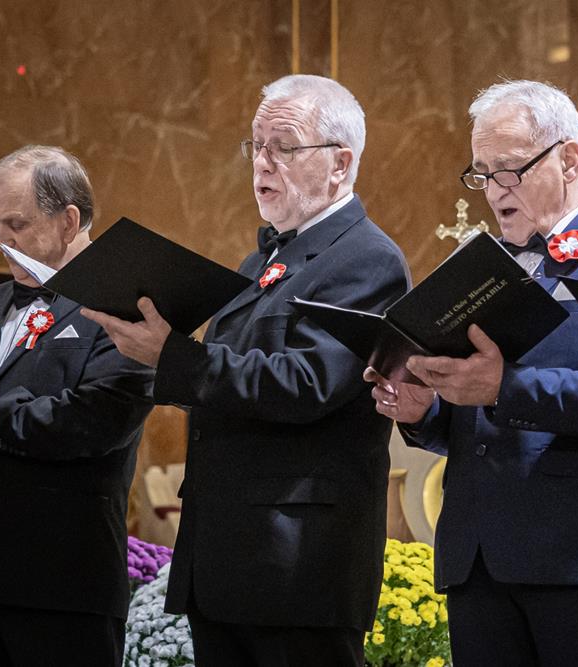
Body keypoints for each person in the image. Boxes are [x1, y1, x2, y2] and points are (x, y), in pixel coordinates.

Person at [84, 75, 410, 666]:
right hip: (228, 558)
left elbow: (310, 384)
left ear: (340, 164)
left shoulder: (368, 259)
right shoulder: (261, 259)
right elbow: (230, 386)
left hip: (296, 564)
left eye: (282, 147)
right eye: (255, 146)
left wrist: (175, 357)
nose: (261, 162)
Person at [365, 80, 578, 666]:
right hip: (480, 558)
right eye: (482, 173)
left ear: (569, 159)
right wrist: (425, 411)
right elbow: (475, 419)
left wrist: (503, 387)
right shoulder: (483, 266)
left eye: (509, 170)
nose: (493, 191)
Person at [0, 145, 154, 666]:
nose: (2, 242)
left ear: (69, 220)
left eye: (17, 224)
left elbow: (94, 420)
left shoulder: (131, 313)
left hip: (63, 588)